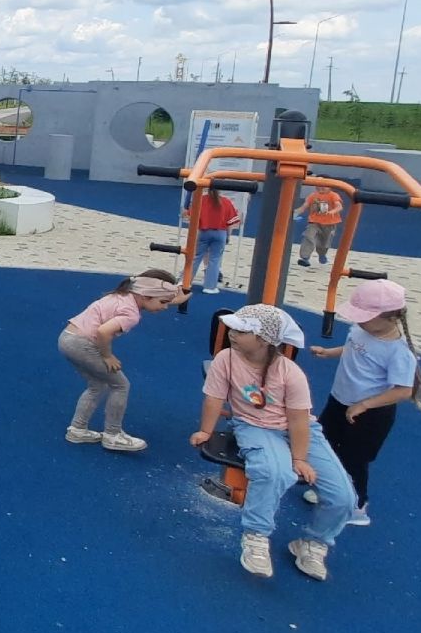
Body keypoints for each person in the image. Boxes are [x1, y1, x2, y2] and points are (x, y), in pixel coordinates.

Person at [189, 303, 355, 581]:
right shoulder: (226, 359)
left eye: (242, 331)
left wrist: (300, 457)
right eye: (234, 328)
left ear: (264, 340)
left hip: (299, 431)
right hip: (255, 427)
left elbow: (299, 420)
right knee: (273, 471)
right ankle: (256, 536)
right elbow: (214, 397)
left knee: (344, 496)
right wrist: (206, 431)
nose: (232, 333)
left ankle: (314, 542)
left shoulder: (290, 373)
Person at [307, 280, 421, 527]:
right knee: (326, 445)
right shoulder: (362, 330)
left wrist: (366, 405)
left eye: (365, 317)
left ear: (389, 318)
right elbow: (353, 348)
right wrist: (329, 352)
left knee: (354, 458)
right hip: (339, 401)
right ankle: (333, 490)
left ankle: (358, 505)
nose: (359, 321)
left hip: (370, 415)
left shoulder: (398, 352)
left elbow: (403, 390)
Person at [59, 270, 186, 452]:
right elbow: (103, 332)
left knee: (97, 385)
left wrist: (176, 299)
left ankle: (77, 429)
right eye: (163, 303)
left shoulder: (124, 294)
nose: (165, 307)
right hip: (82, 345)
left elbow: (153, 297)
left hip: (68, 338)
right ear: (146, 295)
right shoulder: (131, 314)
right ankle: (113, 435)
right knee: (120, 385)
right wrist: (107, 356)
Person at [179, 190, 241, 293]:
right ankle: (210, 287)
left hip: (203, 232)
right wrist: (228, 236)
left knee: (196, 257)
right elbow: (230, 223)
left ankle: (184, 281)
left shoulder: (201, 200)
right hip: (221, 233)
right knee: (215, 259)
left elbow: (191, 217)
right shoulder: (226, 202)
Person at [294, 184, 344, 267]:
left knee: (324, 243)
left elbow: (339, 206)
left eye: (324, 185)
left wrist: (333, 211)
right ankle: (304, 257)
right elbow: (304, 206)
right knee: (309, 237)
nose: (320, 187)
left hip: (329, 224)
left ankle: (322, 254)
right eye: (318, 185)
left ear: (329, 186)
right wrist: (295, 213)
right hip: (314, 222)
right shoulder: (312, 196)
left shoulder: (333, 195)